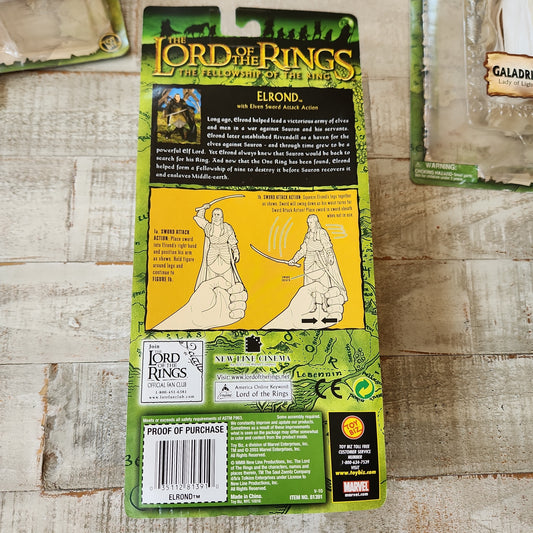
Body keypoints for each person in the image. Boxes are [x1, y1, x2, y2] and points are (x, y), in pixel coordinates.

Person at [289, 214, 347, 302]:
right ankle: (311, 305)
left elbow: (327, 246)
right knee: (309, 287)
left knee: (324, 286)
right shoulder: (308, 235)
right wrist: (294, 259)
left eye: (311, 222)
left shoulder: (322, 232)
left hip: (320, 262)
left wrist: (330, 256)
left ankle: (326, 304)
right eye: (308, 223)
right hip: (309, 263)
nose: (309, 224)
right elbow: (303, 250)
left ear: (316, 222)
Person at [194, 205, 242, 289]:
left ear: (221, 216)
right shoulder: (208, 227)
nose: (216, 217)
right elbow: (199, 218)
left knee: (228, 277)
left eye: (218, 215)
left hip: (225, 255)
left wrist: (236, 252)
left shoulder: (227, 227)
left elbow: (232, 241)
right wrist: (203, 208)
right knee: (211, 277)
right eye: (214, 214)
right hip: (212, 255)